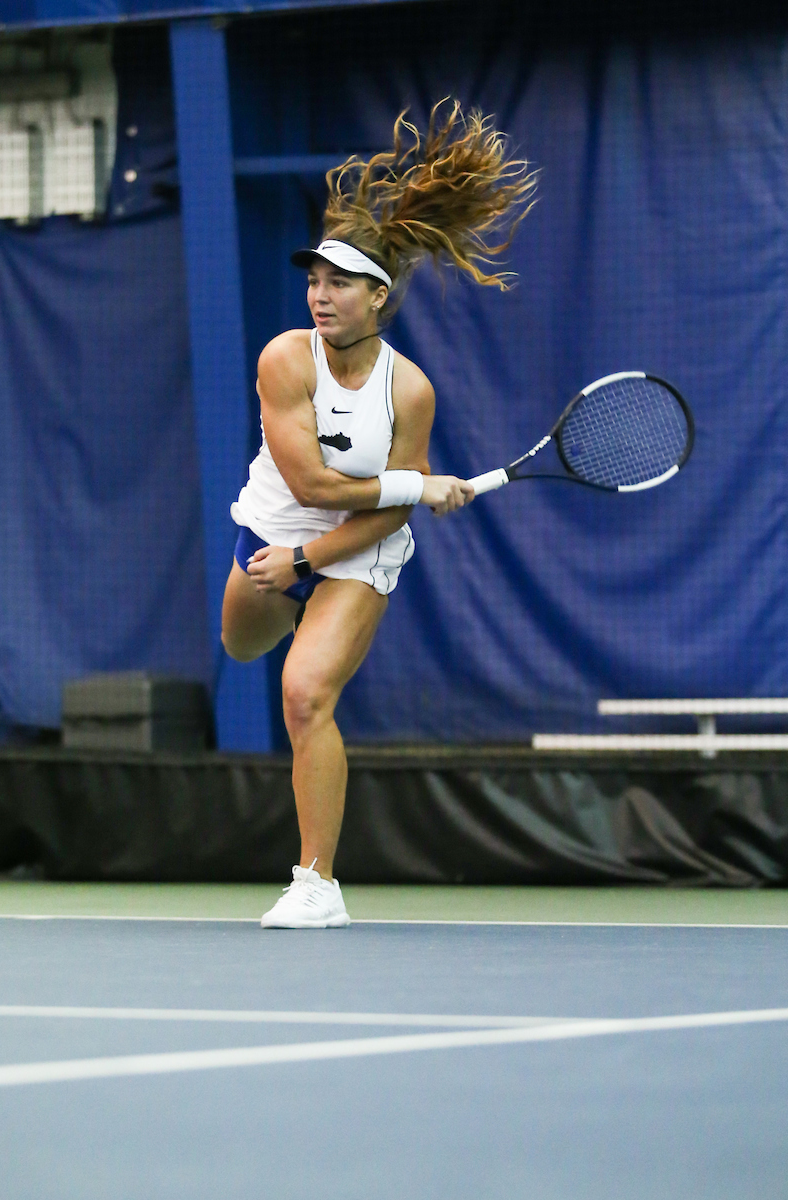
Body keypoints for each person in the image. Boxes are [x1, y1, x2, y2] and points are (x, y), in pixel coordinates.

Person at [221, 101, 536, 928]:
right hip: (274, 526)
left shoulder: (411, 390)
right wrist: (415, 487)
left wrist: (316, 565)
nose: (319, 295)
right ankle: (310, 621)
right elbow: (317, 487)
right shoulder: (285, 359)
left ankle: (317, 883)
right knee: (242, 642)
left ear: (378, 295)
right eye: (314, 280)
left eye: (339, 284)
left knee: (304, 695)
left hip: (356, 553)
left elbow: (377, 523)